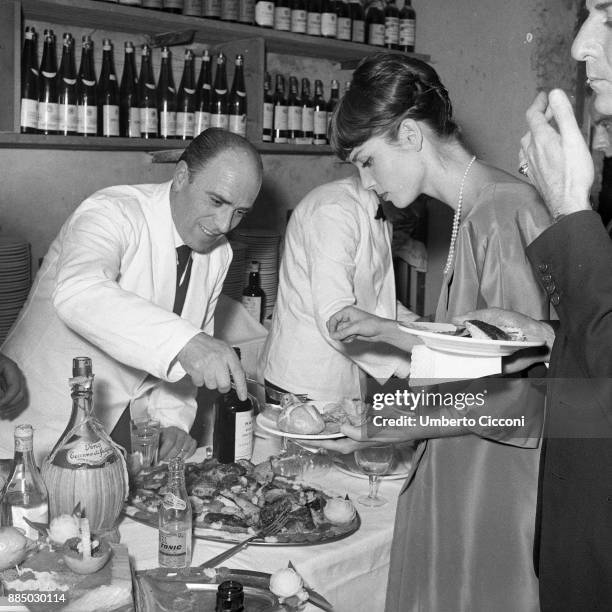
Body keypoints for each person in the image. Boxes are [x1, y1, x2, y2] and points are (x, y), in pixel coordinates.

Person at [323, 52, 553, 612]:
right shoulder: (469, 210)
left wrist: (387, 421)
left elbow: (518, 390)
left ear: (407, 134)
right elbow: (475, 350)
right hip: (461, 460)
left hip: (489, 482)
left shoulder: (498, 212)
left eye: (368, 161)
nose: (365, 183)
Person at [0, 128, 262, 464]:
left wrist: (172, 420)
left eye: (240, 212)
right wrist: (187, 343)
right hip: (33, 426)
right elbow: (80, 292)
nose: (226, 224)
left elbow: (189, 353)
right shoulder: (112, 212)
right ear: (181, 176)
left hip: (111, 436)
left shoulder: (218, 253)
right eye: (217, 201)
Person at [261, 175, 415, 402]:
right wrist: (412, 365)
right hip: (305, 383)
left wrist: (429, 333)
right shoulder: (333, 210)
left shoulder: (379, 212)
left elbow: (378, 300)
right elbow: (336, 319)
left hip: (348, 379)